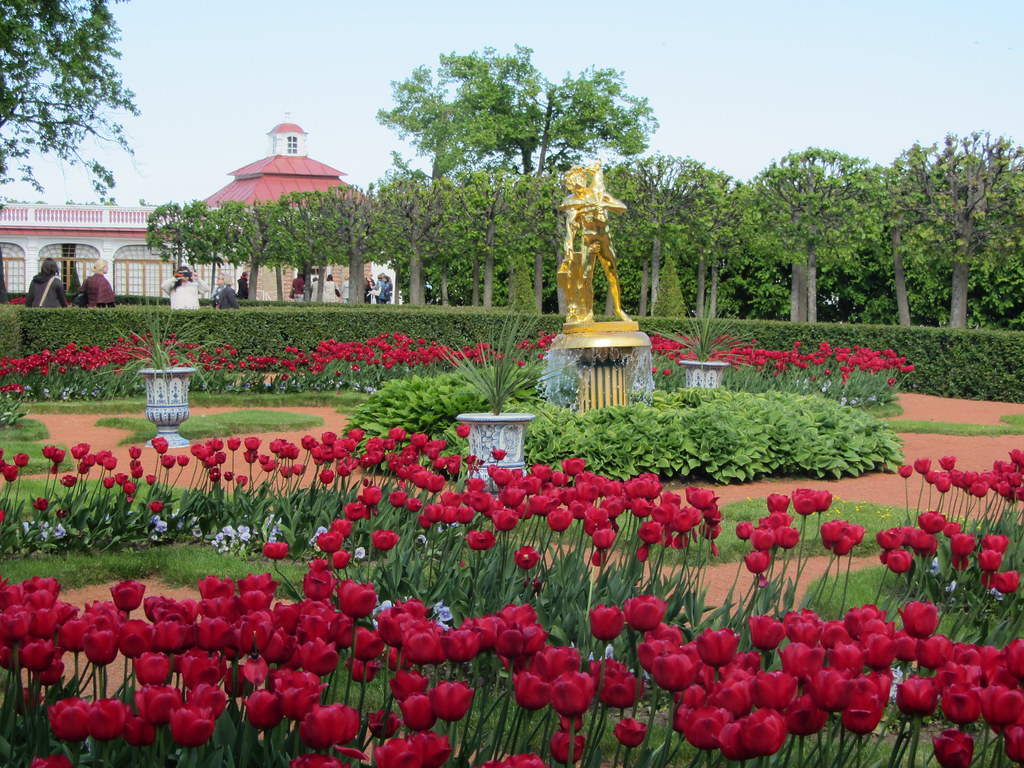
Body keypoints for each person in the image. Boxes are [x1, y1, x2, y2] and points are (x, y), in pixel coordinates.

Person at [558, 161, 630, 326]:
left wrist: (603, 205)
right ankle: (588, 312)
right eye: (575, 179)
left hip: (604, 240)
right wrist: (568, 243)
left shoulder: (598, 193)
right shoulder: (573, 201)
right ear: (571, 184)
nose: (579, 181)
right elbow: (571, 224)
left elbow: (622, 207)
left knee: (612, 274)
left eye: (581, 177)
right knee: (586, 278)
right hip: (588, 242)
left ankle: (618, 309)